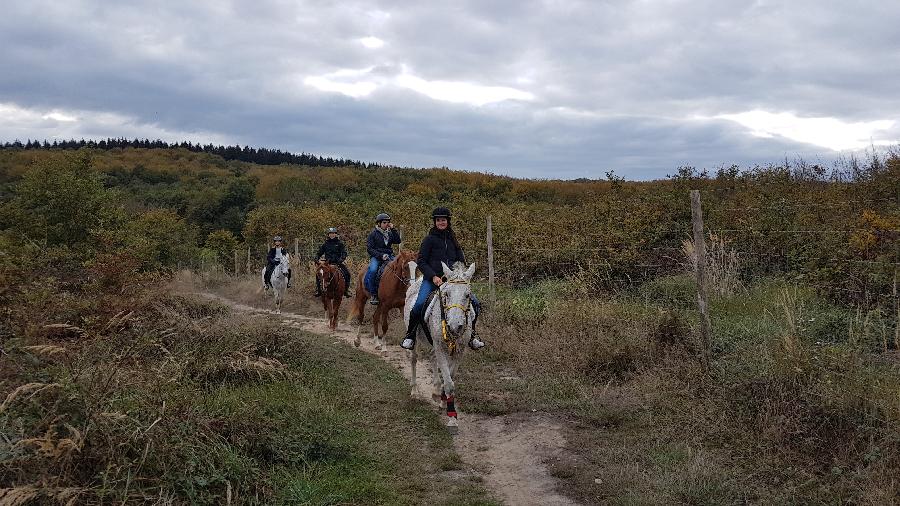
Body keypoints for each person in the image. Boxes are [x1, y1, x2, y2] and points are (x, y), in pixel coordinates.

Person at [401, 207, 484, 351]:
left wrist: (460, 275)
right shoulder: (429, 240)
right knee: (419, 304)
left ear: (448, 221)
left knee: (474, 303)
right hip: (432, 279)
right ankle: (410, 335)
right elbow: (421, 261)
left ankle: (472, 335)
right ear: (435, 222)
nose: (441, 222)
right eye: (438, 220)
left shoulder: (453, 240)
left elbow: (460, 260)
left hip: (452, 281)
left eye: (443, 220)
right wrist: (433, 276)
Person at [364, 213, 402, 305]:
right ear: (379, 223)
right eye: (384, 222)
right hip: (377, 256)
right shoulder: (373, 234)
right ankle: (373, 294)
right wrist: (381, 255)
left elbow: (398, 241)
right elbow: (370, 249)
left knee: (400, 268)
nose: (386, 224)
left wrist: (393, 229)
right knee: (373, 270)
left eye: (388, 222)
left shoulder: (390, 233)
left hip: (389, 255)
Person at [314, 227, 352, 298]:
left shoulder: (340, 243)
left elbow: (344, 253)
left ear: (336, 234)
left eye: (333, 233)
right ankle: (318, 290)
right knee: (318, 274)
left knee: (347, 273)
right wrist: (316, 258)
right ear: (328, 235)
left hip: (338, 263)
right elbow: (319, 253)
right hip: (327, 264)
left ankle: (346, 290)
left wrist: (341, 259)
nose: (332, 235)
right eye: (330, 233)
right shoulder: (325, 244)